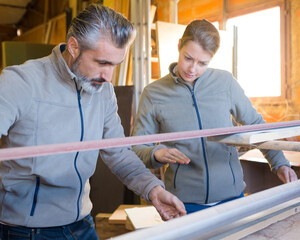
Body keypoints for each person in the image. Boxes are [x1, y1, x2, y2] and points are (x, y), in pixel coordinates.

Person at [0, 4, 186, 240]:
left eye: (115, 65)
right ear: (74, 46)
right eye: (102, 63)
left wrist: (154, 189)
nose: (108, 77)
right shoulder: (21, 83)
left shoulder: (103, 92)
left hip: (82, 223)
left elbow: (118, 153)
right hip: (27, 230)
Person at [132, 19, 298, 214]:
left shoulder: (225, 82)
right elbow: (137, 147)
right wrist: (156, 154)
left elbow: (255, 125)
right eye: (188, 58)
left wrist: (279, 163)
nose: (192, 69)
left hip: (232, 199)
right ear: (179, 46)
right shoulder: (153, 93)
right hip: (184, 203)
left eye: (202, 63)